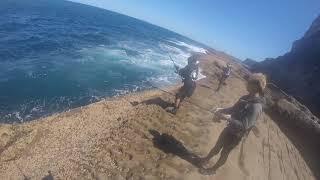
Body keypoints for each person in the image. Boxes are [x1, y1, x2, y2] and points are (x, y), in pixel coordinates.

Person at [198, 73, 267, 175]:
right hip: (229, 128)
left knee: (224, 153)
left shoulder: (256, 107)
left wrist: (226, 118)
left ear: (256, 86)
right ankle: (206, 159)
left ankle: (213, 170)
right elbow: (233, 109)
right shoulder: (245, 97)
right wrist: (221, 110)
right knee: (217, 147)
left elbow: (244, 126)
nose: (246, 83)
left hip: (236, 135)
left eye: (249, 82)